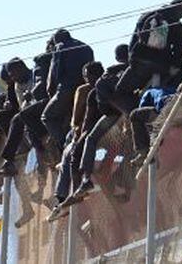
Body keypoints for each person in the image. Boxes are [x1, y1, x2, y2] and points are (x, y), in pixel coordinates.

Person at [72, 45, 133, 198]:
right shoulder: (136, 70)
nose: (87, 80)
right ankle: (115, 182)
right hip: (131, 111)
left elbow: (108, 101)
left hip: (117, 115)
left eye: (88, 76)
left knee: (91, 139)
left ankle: (86, 179)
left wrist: (124, 114)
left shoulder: (107, 78)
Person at [48, 61, 105, 220]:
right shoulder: (90, 89)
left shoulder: (91, 91)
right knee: (68, 152)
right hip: (90, 131)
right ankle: (62, 199)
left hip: (94, 132)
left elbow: (82, 120)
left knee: (70, 154)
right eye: (86, 77)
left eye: (88, 76)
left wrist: (78, 134)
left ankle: (68, 195)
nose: (87, 79)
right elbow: (78, 120)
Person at [114, 0, 182, 114]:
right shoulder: (177, 25)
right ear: (180, 12)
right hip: (161, 68)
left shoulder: (145, 16)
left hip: (139, 63)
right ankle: (155, 111)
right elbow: (180, 53)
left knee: (120, 91)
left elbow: (133, 41)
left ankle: (135, 112)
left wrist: (132, 61)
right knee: (160, 87)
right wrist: (173, 70)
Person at [42, 29, 94, 150]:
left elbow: (55, 73)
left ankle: (63, 146)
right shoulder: (86, 46)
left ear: (56, 40)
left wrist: (52, 94)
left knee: (47, 116)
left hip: (67, 89)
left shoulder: (60, 47)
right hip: (86, 87)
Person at [0, 57, 34, 176]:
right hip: (27, 111)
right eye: (11, 76)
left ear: (22, 68)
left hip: (40, 107)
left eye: (14, 74)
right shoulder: (17, 85)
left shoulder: (35, 74)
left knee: (18, 118)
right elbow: (21, 104)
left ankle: (8, 159)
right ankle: (18, 148)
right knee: (2, 115)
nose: (13, 78)